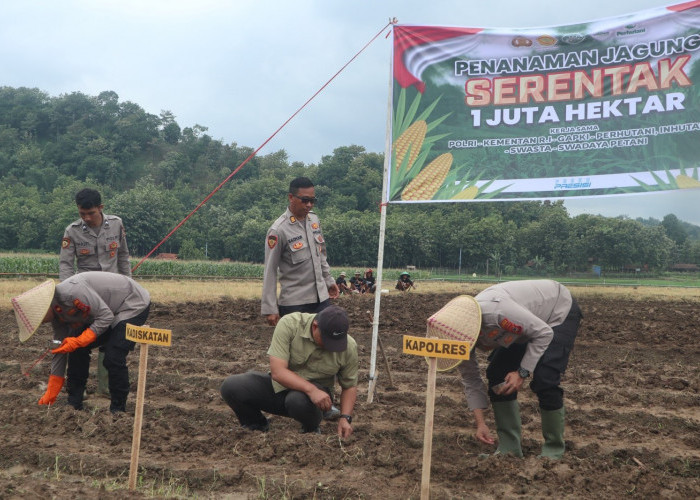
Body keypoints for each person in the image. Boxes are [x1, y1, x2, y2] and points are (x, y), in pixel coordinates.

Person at [456, 280, 582, 459]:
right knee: (497, 373)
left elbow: (544, 333)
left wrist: (522, 372)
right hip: (525, 324)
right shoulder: (458, 338)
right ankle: (509, 449)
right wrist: (480, 423)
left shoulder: (496, 313)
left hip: (556, 312)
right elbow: (471, 379)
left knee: (545, 378)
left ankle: (553, 452)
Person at [11, 272, 151, 413]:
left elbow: (106, 316)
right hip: (108, 311)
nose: (41, 322)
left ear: (45, 305)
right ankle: (74, 403)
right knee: (76, 349)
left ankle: (118, 410)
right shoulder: (56, 315)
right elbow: (60, 347)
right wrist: (53, 387)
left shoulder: (73, 293)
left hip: (132, 304)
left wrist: (81, 340)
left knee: (113, 357)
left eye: (40, 319)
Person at [220, 305, 358, 437]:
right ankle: (255, 426)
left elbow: (349, 386)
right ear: (315, 326)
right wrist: (311, 390)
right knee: (232, 386)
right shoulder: (290, 324)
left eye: (336, 342)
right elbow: (278, 372)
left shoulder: (349, 346)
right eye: (327, 341)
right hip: (282, 388)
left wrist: (345, 418)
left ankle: (310, 429)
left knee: (297, 400)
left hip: (313, 401)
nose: (331, 347)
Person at [59, 188, 132, 397]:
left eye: (91, 213)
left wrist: (129, 286)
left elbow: (123, 257)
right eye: (82, 214)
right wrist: (68, 295)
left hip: (113, 294)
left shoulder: (116, 224)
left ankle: (106, 389)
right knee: (79, 344)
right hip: (84, 297)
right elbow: (66, 265)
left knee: (111, 342)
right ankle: (76, 394)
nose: (87, 218)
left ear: (101, 208)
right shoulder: (72, 231)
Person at [261, 177, 339, 327]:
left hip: (321, 299)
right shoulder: (278, 230)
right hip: (295, 304)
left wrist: (329, 280)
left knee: (325, 345)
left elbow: (321, 255)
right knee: (298, 349)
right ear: (291, 197)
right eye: (304, 200)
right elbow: (270, 271)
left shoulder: (314, 220)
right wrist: (270, 308)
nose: (309, 205)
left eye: (312, 200)